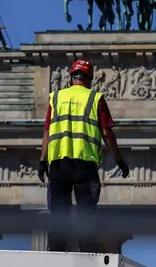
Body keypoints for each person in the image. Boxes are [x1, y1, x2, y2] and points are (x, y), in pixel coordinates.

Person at [39, 58, 129, 252]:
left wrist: (42, 161)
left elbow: (46, 131)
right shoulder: (95, 98)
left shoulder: (55, 98)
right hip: (84, 166)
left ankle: (54, 259)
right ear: (90, 79)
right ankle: (89, 262)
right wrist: (119, 160)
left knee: (58, 216)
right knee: (86, 217)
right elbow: (106, 132)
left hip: (58, 165)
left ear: (71, 77)